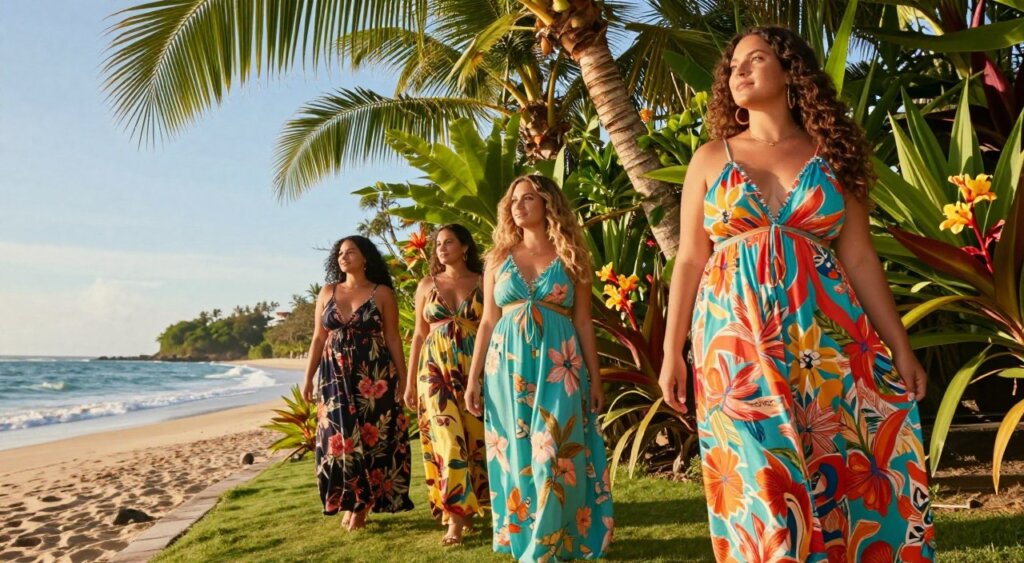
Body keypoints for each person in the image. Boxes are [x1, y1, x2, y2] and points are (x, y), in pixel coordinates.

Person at [658, 26, 935, 562]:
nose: (738, 70)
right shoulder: (711, 158)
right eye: (733, 65)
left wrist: (899, 346)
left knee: (839, 465)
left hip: (825, 341)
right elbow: (690, 258)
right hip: (735, 346)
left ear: (789, 71)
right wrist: (673, 351)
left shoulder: (832, 152)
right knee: (759, 479)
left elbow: (858, 257)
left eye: (754, 59)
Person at [465, 174, 614, 561]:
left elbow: (583, 322)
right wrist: (473, 378)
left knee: (554, 453)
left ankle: (547, 546)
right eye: (514, 199)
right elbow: (487, 321)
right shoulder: (498, 259)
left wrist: (596, 377)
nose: (519, 205)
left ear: (549, 203)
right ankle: (531, 538)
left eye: (528, 197)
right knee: (516, 456)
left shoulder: (572, 256)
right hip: (506, 367)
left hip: (560, 363)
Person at [302, 235, 414, 531]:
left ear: (365, 257)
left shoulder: (382, 293)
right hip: (333, 377)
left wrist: (404, 380)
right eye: (340, 253)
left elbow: (391, 338)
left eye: (351, 251)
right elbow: (318, 337)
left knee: (371, 438)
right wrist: (307, 379)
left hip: (374, 376)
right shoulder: (327, 291)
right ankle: (350, 500)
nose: (344, 256)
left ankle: (360, 508)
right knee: (337, 442)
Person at [404, 224, 490, 545]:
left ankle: (472, 508)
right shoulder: (427, 285)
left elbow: (491, 325)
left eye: (448, 242)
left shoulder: (483, 282)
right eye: (438, 243)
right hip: (434, 371)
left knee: (476, 439)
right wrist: (411, 383)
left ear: (465, 246)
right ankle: (454, 518)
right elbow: (419, 335)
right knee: (447, 442)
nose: (441, 248)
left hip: (474, 368)